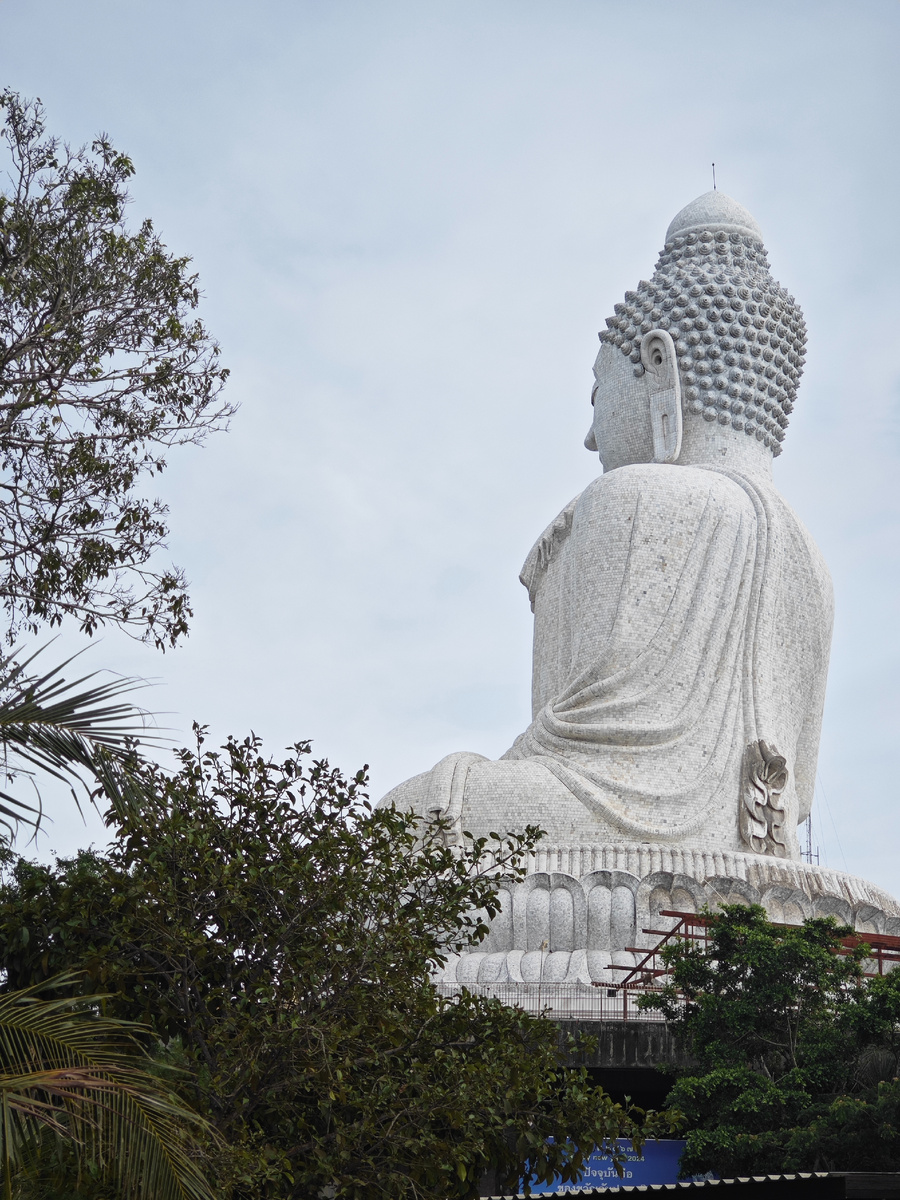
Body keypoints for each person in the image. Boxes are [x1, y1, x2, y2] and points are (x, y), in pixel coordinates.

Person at [382, 191, 832, 864]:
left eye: (598, 394)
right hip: (762, 856)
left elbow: (576, 754)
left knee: (406, 816)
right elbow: (793, 801)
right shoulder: (816, 566)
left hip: (623, 833)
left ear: (659, 367)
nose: (591, 436)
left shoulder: (630, 498)